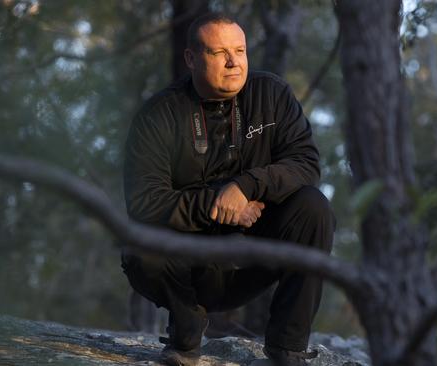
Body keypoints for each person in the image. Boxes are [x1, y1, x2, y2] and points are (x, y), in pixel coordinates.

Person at [121, 12, 335, 366]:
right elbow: (145, 202)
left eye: (240, 50)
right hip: (188, 270)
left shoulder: (273, 94)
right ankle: (186, 333)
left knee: (314, 208)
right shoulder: (159, 114)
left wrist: (246, 185)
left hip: (253, 260)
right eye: (220, 53)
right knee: (141, 244)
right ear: (191, 59)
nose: (234, 62)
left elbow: (306, 164)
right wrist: (218, 203)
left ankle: (288, 348)